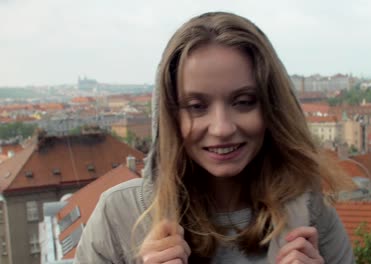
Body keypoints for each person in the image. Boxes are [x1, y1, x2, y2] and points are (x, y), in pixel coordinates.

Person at [75, 12, 354, 264]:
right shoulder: (118, 216)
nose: (221, 128)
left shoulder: (312, 213)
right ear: (171, 116)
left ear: (272, 108)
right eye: (197, 106)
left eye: (244, 101)